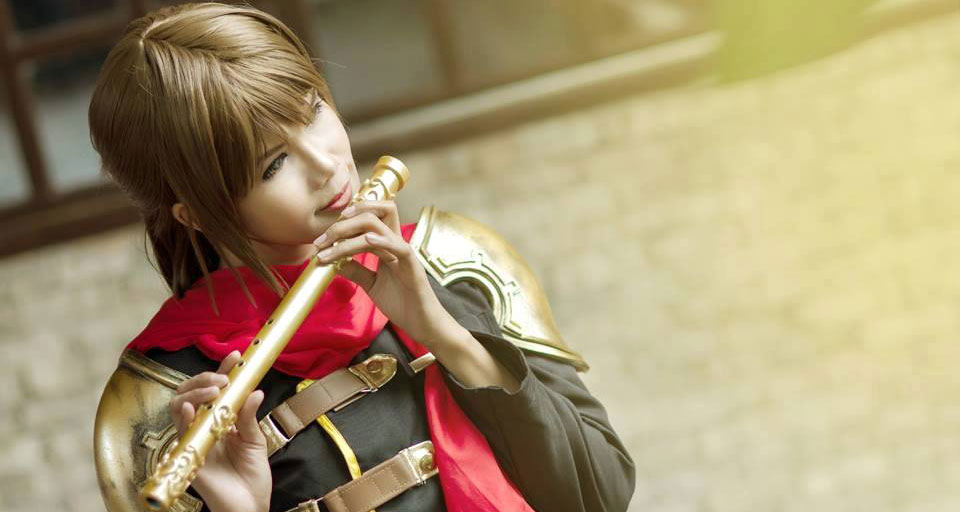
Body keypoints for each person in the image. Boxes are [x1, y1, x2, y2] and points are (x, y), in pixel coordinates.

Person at [89, 3, 635, 512]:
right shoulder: (155, 405)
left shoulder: (455, 261)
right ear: (196, 215)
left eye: (313, 111)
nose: (326, 164)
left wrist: (445, 332)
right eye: (273, 164)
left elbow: (603, 490)